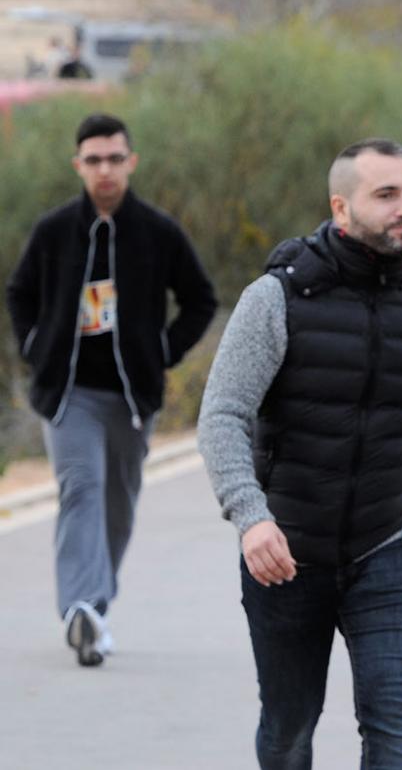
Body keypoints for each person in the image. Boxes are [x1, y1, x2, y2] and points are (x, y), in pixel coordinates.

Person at [198, 138, 402, 770]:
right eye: (386, 195)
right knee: (290, 727)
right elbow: (222, 416)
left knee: (392, 730)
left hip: (391, 544)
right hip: (287, 551)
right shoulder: (277, 298)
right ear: (341, 207)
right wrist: (251, 516)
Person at [6, 113, 217, 667]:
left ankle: (95, 609)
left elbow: (200, 298)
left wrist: (163, 353)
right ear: (79, 165)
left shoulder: (157, 232)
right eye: (94, 160)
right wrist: (34, 347)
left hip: (130, 398)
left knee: (118, 505)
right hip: (68, 393)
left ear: (131, 163)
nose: (105, 170)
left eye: (114, 159)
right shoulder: (54, 231)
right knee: (81, 488)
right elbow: (19, 292)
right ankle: (80, 608)